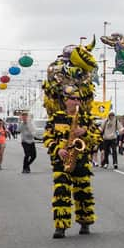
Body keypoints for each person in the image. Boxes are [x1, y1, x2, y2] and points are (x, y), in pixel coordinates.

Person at [43, 86, 102, 239]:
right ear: (65, 100)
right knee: (61, 192)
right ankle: (60, 227)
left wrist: (85, 132)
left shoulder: (86, 118)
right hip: (61, 160)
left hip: (81, 160)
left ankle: (85, 223)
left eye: (78, 99)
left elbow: (98, 138)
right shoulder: (56, 117)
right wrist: (58, 150)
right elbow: (47, 138)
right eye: (73, 99)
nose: (76, 102)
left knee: (83, 193)